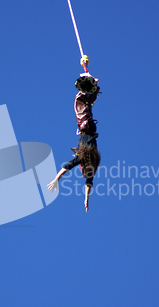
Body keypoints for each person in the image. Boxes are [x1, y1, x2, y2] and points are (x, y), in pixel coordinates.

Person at [47, 75, 101, 212]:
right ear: (82, 168)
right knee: (79, 100)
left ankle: (94, 89)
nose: (79, 168)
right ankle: (90, 82)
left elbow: (89, 183)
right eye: (80, 169)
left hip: (89, 125)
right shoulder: (83, 158)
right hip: (84, 124)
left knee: (87, 105)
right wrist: (56, 180)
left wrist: (87, 199)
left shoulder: (93, 164)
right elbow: (67, 167)